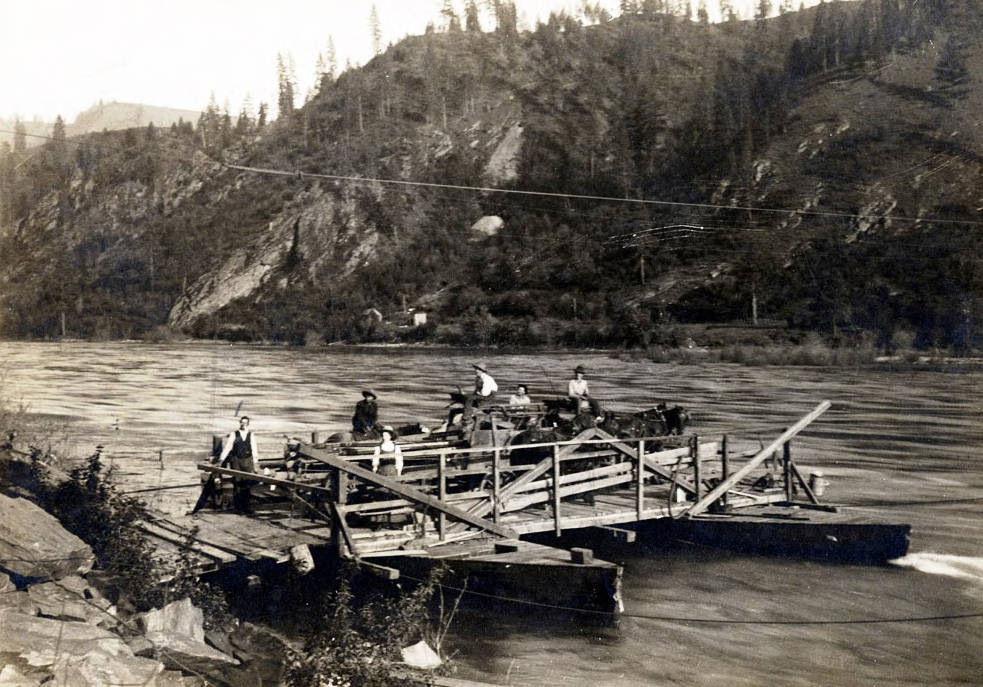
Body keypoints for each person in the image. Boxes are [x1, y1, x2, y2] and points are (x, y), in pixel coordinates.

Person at [217, 416, 260, 514]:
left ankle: (247, 507)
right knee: (237, 484)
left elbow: (254, 450)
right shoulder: (233, 434)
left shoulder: (251, 435)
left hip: (248, 461)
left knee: (247, 484)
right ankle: (238, 508)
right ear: (239, 423)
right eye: (242, 422)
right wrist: (221, 460)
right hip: (236, 460)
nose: (243, 424)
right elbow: (227, 448)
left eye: (245, 423)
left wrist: (256, 464)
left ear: (248, 424)